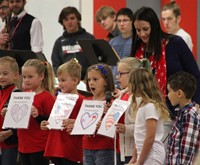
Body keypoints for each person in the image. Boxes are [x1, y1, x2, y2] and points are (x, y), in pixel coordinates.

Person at [131, 6, 200, 118]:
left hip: (178, 110)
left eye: (145, 29)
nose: (142, 34)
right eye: (138, 30)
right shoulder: (138, 51)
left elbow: (195, 75)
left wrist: (197, 103)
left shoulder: (175, 43)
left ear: (154, 27)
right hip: (150, 112)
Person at [40, 59, 84, 165]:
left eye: (63, 80)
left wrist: (74, 122)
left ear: (75, 81)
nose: (60, 84)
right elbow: (53, 119)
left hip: (70, 146)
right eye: (58, 80)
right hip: (55, 145)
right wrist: (46, 124)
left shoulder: (81, 100)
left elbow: (85, 122)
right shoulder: (57, 99)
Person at [128, 68, 169, 165]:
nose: (128, 85)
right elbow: (139, 135)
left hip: (152, 155)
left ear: (138, 85)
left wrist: (139, 161)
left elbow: (150, 137)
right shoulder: (142, 105)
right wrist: (134, 158)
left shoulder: (150, 107)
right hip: (144, 154)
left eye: (131, 82)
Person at [18, 59, 55, 165]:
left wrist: (38, 116)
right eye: (24, 77)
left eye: (30, 77)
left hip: (39, 145)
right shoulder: (24, 95)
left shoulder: (46, 97)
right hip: (23, 144)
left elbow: (51, 120)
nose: (26, 80)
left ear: (41, 77)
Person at [115, 57, 150, 165]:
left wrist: (126, 129)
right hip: (119, 149)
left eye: (121, 74)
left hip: (132, 151)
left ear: (132, 74)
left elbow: (144, 127)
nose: (117, 77)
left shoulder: (139, 98)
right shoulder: (121, 95)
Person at [83, 63, 115, 165]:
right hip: (86, 147)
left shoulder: (111, 103)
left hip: (104, 148)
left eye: (95, 79)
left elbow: (113, 126)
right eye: (89, 80)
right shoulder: (86, 101)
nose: (91, 83)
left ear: (105, 81)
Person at [51, 6, 94, 80]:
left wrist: (87, 80)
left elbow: (94, 63)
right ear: (62, 22)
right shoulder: (59, 42)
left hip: (86, 81)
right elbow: (56, 66)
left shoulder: (89, 38)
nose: (69, 22)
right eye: (66, 19)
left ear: (78, 19)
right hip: (65, 82)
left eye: (72, 18)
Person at [166, 71, 200, 165]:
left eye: (169, 91)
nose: (167, 95)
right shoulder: (182, 113)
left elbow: (186, 151)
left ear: (179, 93)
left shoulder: (189, 115)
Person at [0, 56, 19, 165]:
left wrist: (10, 132)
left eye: (5, 74)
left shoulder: (17, 94)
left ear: (16, 75)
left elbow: (22, 121)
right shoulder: (1, 93)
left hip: (10, 144)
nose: (1, 77)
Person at [109, 8, 133, 86]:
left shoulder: (136, 41)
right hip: (114, 84)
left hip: (130, 84)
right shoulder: (112, 42)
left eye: (125, 20)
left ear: (132, 22)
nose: (122, 24)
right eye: (119, 21)